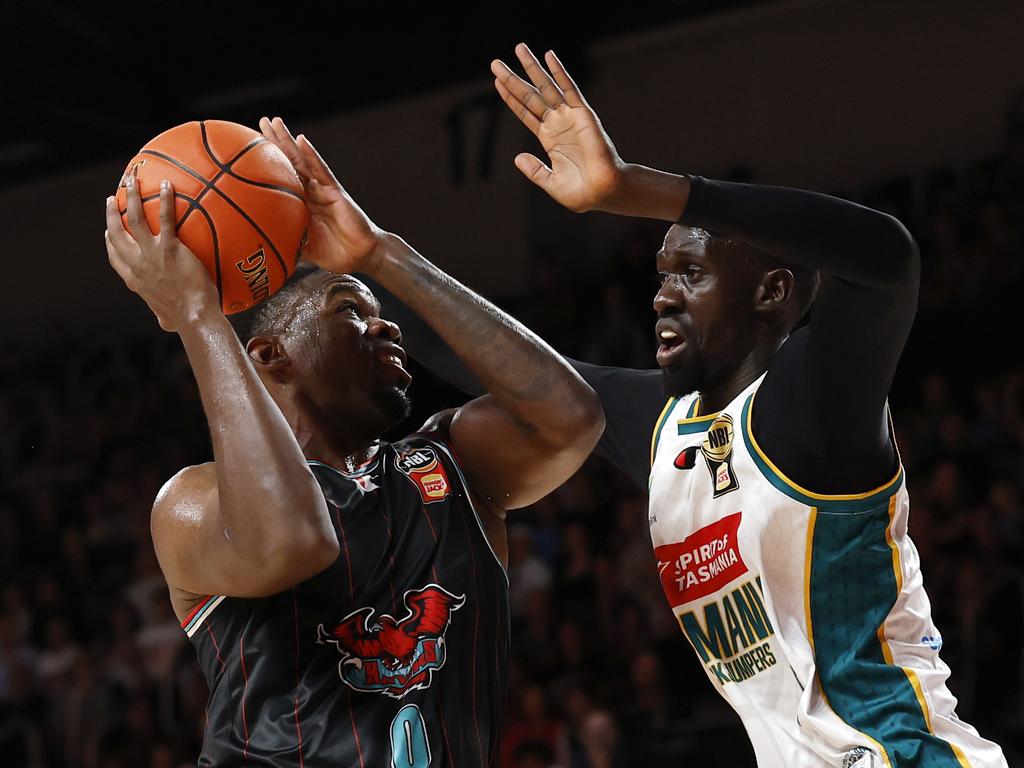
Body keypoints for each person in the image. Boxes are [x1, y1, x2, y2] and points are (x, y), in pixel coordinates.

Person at [373, 44, 1009, 767]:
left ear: (772, 293)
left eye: (692, 273)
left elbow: (890, 258)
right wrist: (368, 254)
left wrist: (640, 190)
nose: (662, 294)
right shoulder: (670, 427)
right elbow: (512, 368)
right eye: (662, 272)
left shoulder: (809, 400)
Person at [102, 116, 603, 766]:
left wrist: (382, 257)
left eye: (382, 311)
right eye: (352, 309)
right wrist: (200, 314)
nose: (386, 326)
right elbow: (293, 538)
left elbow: (571, 420)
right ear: (270, 355)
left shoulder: (453, 463)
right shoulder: (192, 503)